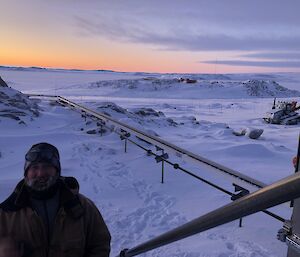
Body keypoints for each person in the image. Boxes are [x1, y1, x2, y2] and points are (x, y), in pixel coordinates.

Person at [0, 142, 111, 257]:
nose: (40, 173)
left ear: (57, 171)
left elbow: (100, 244)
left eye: (47, 167)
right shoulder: (5, 214)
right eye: (34, 167)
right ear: (26, 173)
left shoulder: (82, 207)